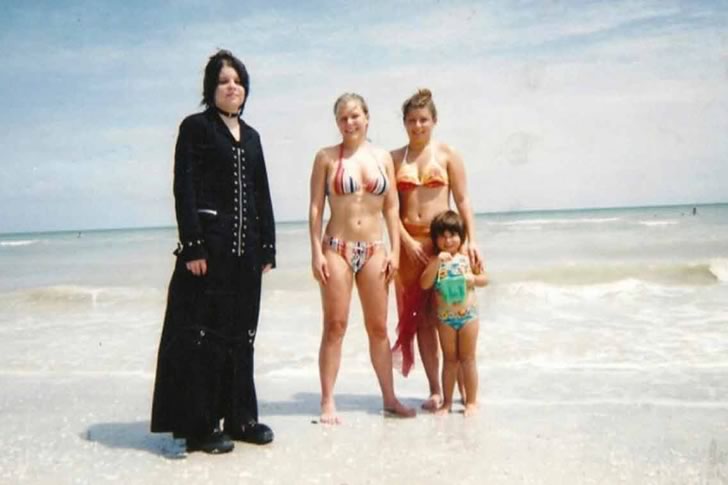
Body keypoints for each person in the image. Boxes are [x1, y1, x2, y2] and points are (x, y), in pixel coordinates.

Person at [151, 50, 276, 454]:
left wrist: (267, 247)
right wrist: (193, 245)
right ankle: (200, 426)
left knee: (242, 335)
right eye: (223, 81)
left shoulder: (252, 137)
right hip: (209, 253)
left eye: (237, 81)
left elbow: (261, 194)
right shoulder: (196, 128)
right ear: (211, 88)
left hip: (246, 255)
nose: (232, 87)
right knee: (203, 337)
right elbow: (184, 188)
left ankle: (241, 418)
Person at [309, 93, 416, 424]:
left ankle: (389, 398)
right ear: (337, 123)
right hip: (337, 247)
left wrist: (395, 251)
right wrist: (316, 252)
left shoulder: (383, 157)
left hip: (373, 249)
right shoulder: (326, 157)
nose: (349, 122)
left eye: (355, 115)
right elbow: (315, 208)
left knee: (378, 328)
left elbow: (392, 207)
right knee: (335, 325)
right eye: (343, 118)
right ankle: (327, 400)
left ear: (367, 117)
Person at [391, 88, 483, 410]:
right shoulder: (393, 158)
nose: (417, 126)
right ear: (404, 122)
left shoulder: (447, 154)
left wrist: (471, 241)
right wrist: (404, 240)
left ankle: (463, 391)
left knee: (450, 310)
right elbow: (389, 208)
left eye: (423, 120)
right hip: (408, 247)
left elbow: (463, 200)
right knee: (421, 320)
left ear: (434, 121)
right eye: (411, 120)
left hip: (443, 243)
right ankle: (435, 389)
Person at [420, 210, 487, 416]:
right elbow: (424, 283)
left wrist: (473, 279)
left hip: (468, 316)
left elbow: (485, 278)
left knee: (468, 359)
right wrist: (436, 262)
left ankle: (471, 402)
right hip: (445, 318)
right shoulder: (435, 261)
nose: (448, 240)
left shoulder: (467, 258)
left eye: (453, 235)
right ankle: (447, 402)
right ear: (435, 239)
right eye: (442, 236)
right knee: (449, 361)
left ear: (461, 236)